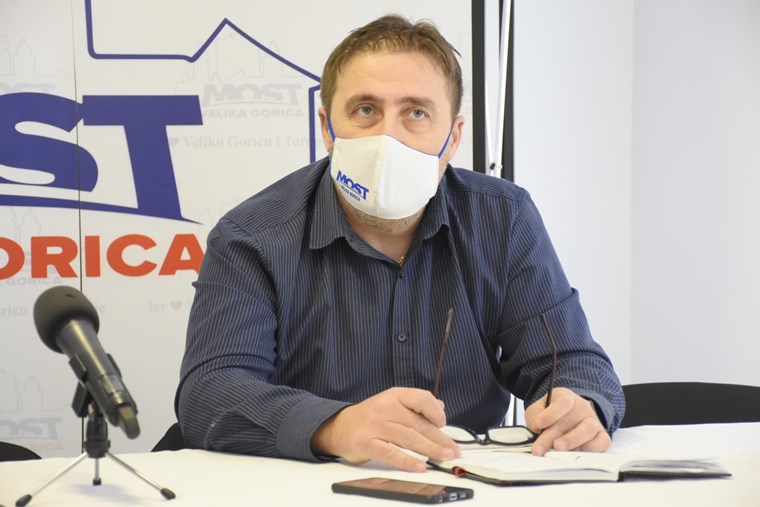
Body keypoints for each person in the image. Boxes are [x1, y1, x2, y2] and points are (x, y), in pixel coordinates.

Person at [176, 14, 625, 473]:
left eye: (416, 113)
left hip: (469, 483)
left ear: (453, 137)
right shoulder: (252, 235)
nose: (387, 137)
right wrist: (335, 426)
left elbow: (570, 362)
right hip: (311, 486)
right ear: (327, 128)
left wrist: (581, 405)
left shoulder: (503, 218)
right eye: (365, 110)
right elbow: (210, 392)